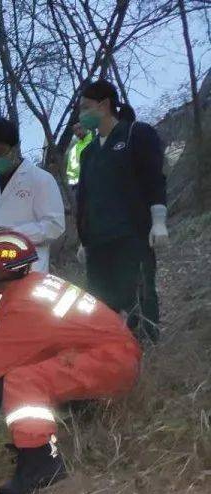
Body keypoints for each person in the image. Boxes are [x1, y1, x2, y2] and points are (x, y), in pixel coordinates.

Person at [0, 229, 142, 494]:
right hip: (106, 355)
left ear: (1, 272)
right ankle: (75, 417)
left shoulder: (26, 306)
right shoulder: (35, 288)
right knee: (23, 368)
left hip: (111, 362)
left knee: (24, 380)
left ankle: (41, 463)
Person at [0, 117, 66, 426]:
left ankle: (38, 406)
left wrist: (14, 234)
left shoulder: (40, 180)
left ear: (15, 148)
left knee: (25, 342)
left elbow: (54, 225)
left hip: (27, 273)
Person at [75, 80, 168, 343]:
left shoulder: (136, 134)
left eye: (86, 107)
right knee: (101, 310)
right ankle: (112, 363)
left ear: (104, 105)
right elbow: (84, 197)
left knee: (140, 300)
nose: (82, 115)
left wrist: (158, 220)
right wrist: (84, 240)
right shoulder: (89, 152)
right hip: (98, 244)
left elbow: (154, 179)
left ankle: (148, 357)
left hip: (131, 237)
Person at [66, 122, 93, 188]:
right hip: (81, 187)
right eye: (75, 130)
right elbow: (71, 172)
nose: (78, 132)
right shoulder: (73, 151)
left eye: (79, 128)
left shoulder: (96, 139)